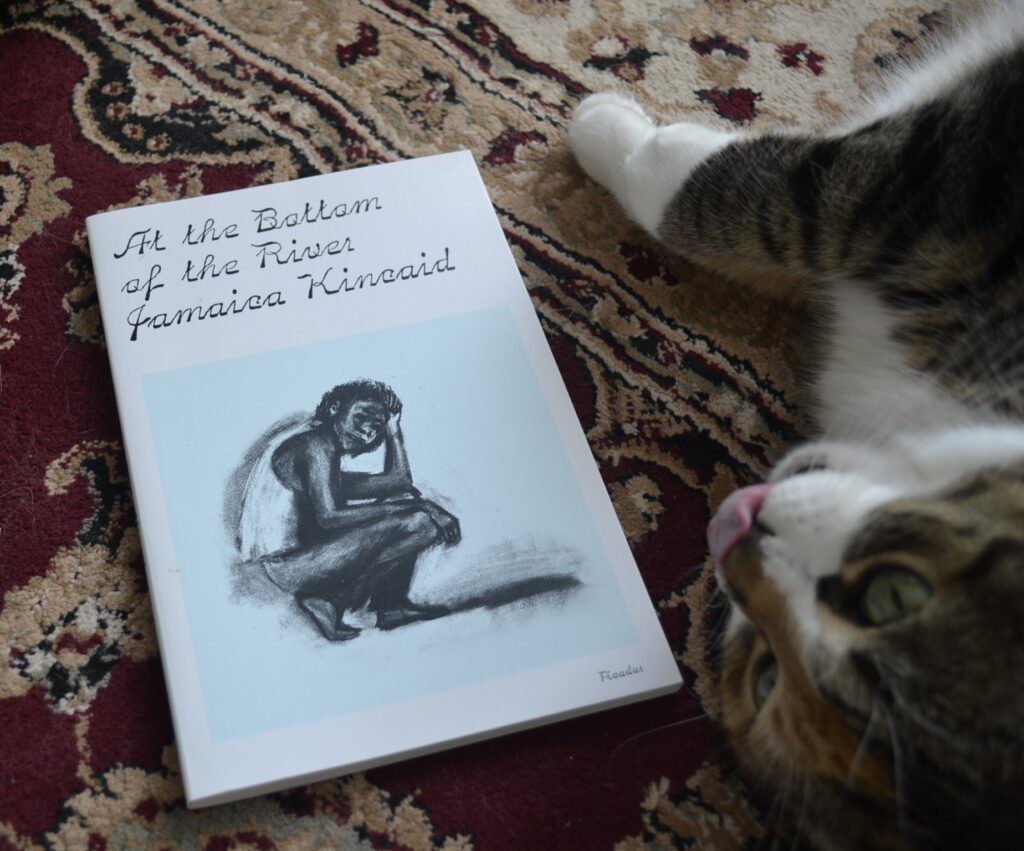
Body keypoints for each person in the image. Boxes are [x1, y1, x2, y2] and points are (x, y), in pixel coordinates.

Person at [265, 380, 459, 640]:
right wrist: (421, 507)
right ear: (334, 409)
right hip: (285, 566)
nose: (368, 430)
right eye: (361, 416)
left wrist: (393, 430)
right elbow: (328, 518)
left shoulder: (327, 465)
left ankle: (390, 605)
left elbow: (399, 481)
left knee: (405, 500)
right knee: (419, 522)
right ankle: (330, 600)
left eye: (377, 425)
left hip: (306, 561)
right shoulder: (315, 445)